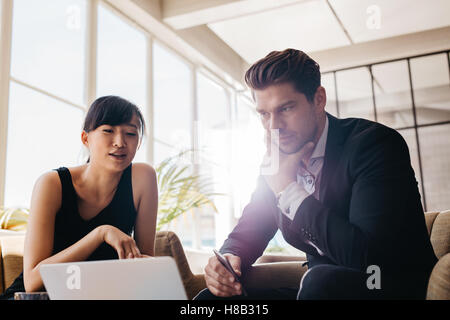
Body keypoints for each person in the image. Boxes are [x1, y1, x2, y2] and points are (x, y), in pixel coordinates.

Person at [196, 49, 438, 300]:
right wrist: (228, 259)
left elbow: (370, 259)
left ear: (319, 99)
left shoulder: (374, 145)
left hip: (387, 286)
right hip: (319, 291)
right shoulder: (276, 161)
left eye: (286, 108)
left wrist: (288, 189)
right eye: (264, 114)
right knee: (210, 299)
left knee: (320, 281)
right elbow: (250, 229)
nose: (274, 126)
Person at [1, 95, 158, 299]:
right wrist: (100, 234)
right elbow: (33, 283)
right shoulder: (52, 184)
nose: (120, 142)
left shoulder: (143, 178)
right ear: (86, 139)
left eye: (130, 133)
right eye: (108, 131)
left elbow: (144, 267)